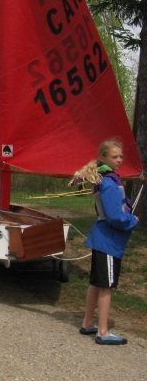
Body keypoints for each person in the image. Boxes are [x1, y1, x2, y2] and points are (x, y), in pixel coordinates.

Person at [70, 140, 139, 345]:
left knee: (95, 282)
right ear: (104, 158)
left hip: (102, 238)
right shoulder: (109, 181)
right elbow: (114, 216)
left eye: (121, 156)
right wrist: (132, 221)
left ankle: (88, 322)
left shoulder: (103, 177)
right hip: (108, 240)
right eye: (115, 157)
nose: (119, 160)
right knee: (106, 286)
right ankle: (103, 331)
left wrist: (78, 175)